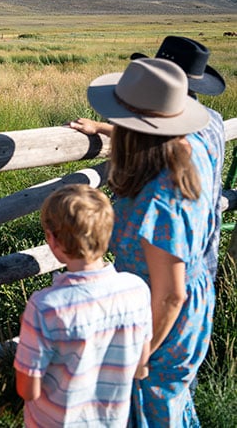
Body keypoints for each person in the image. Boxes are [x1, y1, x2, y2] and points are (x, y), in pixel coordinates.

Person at [81, 58, 216, 426]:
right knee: (172, 397)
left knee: (155, 407)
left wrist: (141, 354)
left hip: (162, 319)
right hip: (189, 302)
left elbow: (172, 294)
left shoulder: (159, 199)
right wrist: (103, 129)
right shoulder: (192, 147)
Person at [71, 35, 226, 283]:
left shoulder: (161, 189)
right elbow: (158, 136)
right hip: (202, 266)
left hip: (155, 290)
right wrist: (101, 127)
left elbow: (171, 296)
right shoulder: (213, 121)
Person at [14, 183, 152, 427]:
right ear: (109, 231)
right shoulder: (137, 290)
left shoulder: (46, 307)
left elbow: (28, 390)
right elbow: (141, 368)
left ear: (52, 239)